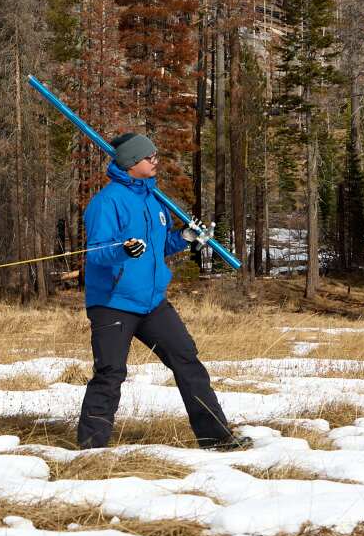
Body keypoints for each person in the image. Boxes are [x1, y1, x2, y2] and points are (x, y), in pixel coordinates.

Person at [75, 133, 244, 450]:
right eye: (149, 156)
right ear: (129, 163)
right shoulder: (106, 203)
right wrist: (124, 251)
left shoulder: (154, 201)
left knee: (187, 361)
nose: (156, 160)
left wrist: (185, 238)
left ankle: (217, 438)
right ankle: (91, 449)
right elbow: (97, 253)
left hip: (151, 302)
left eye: (155, 155)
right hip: (113, 302)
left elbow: (159, 247)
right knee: (111, 373)